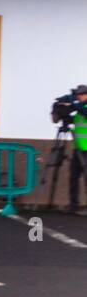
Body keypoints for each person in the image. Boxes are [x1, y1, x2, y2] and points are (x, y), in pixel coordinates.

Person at [63, 84, 87, 214]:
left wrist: (73, 103)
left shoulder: (83, 108)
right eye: (78, 95)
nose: (79, 97)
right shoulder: (80, 109)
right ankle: (73, 206)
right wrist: (63, 114)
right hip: (78, 149)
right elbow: (76, 120)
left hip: (86, 150)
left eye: (81, 94)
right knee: (73, 177)